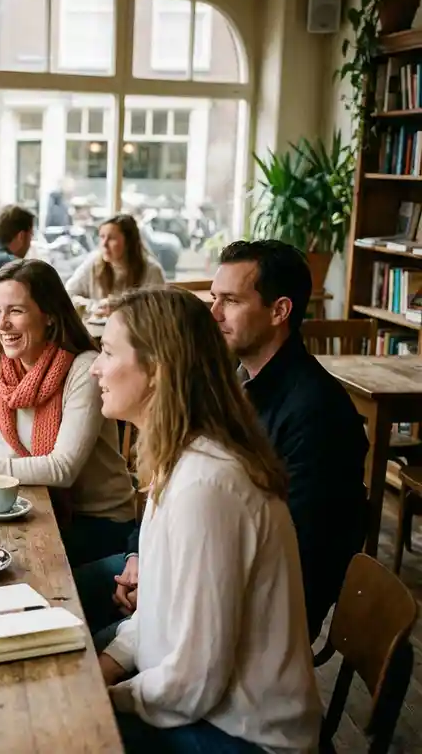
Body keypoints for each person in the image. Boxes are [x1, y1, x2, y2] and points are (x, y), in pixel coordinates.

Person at [78, 240, 368, 650]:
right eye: (214, 298)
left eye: (229, 301)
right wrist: (138, 558)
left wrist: (165, 590)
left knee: (73, 641)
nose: (213, 314)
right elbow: (167, 495)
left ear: (279, 311)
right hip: (183, 576)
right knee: (58, 597)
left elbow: (298, 560)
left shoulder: (317, 413)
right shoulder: (232, 382)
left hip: (253, 623)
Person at [93, 287, 321, 753]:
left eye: (108, 352)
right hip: (202, 706)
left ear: (157, 371)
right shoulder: (179, 458)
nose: (95, 367)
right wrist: (112, 660)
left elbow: (196, 681)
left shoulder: (206, 485)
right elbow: (158, 605)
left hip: (242, 734)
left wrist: (102, 699)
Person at [0, 258, 136, 565]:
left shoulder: (83, 368)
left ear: (49, 316)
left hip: (98, 524)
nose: (1, 323)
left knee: (8, 565)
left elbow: (62, 469)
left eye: (15, 311)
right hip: (38, 505)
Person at [65, 214, 165, 316]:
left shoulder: (152, 270)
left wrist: (121, 310)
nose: (104, 244)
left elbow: (158, 311)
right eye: (102, 237)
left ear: (128, 242)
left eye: (111, 238)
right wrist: (93, 306)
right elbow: (67, 294)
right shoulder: (93, 262)